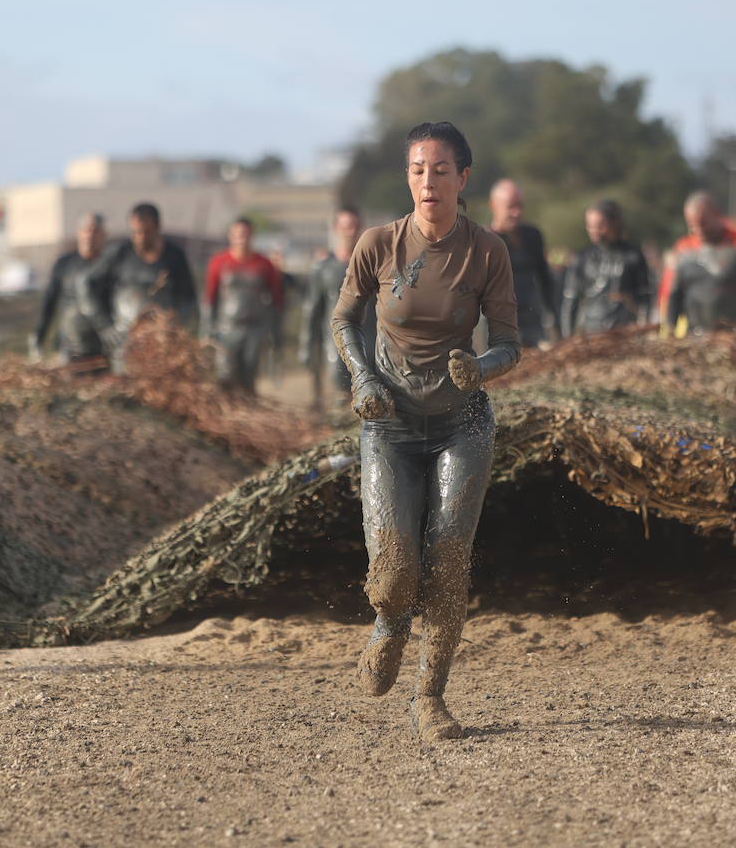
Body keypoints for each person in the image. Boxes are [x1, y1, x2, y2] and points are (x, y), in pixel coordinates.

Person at [331, 122, 520, 741]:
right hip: (388, 423)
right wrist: (363, 378)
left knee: (447, 562)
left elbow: (511, 344)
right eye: (418, 169)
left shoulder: (487, 250)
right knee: (393, 573)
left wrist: (480, 367)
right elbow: (344, 319)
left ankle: (430, 697)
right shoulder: (378, 244)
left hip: (462, 424)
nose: (428, 181)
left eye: (441, 170)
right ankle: (389, 622)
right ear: (407, 177)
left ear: (463, 178)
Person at [102, 202, 198, 373]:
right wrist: (105, 325)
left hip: (162, 342)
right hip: (126, 340)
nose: (140, 238)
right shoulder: (119, 254)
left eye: (146, 232)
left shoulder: (174, 256)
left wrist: (175, 322)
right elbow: (89, 284)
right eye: (135, 232)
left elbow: (189, 300)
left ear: (157, 228)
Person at [659, 191, 736, 335]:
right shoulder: (682, 250)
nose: (698, 230)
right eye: (692, 225)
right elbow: (673, 294)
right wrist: (669, 329)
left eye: (703, 223)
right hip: (694, 336)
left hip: (734, 336)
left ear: (717, 215)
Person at [299, 205, 375, 409]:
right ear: (335, 229)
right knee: (339, 396)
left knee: (369, 398)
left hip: (369, 340)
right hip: (335, 343)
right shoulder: (323, 268)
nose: (350, 232)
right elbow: (312, 310)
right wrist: (306, 346)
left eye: (354, 226)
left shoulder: (373, 265)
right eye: (345, 227)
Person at [202, 218, 284, 394]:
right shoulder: (219, 262)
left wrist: (274, 332)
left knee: (248, 374)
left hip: (254, 328)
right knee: (225, 375)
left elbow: (276, 300)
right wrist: (207, 330)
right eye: (238, 234)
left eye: (246, 234)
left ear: (252, 236)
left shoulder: (264, 264)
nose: (242, 239)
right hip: (227, 328)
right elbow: (209, 299)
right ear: (230, 236)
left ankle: (248, 405)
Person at [31, 213, 114, 372]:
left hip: (104, 349)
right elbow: (49, 303)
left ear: (104, 235)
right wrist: (39, 339)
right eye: (86, 230)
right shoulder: (64, 264)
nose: (90, 236)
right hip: (70, 348)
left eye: (95, 231)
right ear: (79, 233)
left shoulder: (111, 265)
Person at [560, 199, 653, 336]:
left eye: (600, 226)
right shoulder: (582, 258)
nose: (594, 231)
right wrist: (567, 339)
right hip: (592, 334)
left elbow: (644, 297)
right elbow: (570, 302)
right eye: (590, 226)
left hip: (625, 334)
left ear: (615, 223)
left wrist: (642, 329)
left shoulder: (633, 256)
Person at [488, 179, 558, 347]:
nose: (517, 213)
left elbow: (545, 279)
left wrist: (556, 320)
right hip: (497, 325)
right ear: (493, 206)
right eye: (511, 207)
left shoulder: (532, 236)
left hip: (532, 322)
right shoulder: (484, 241)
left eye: (520, 206)